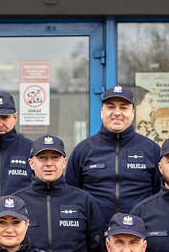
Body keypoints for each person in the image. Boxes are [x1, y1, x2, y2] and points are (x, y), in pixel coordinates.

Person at [65, 85, 161, 219]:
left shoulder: (151, 150)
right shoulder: (83, 150)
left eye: (123, 107)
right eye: (110, 107)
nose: (117, 112)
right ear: (102, 112)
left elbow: (160, 196)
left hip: (139, 230)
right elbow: (71, 195)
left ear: (133, 113)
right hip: (95, 230)